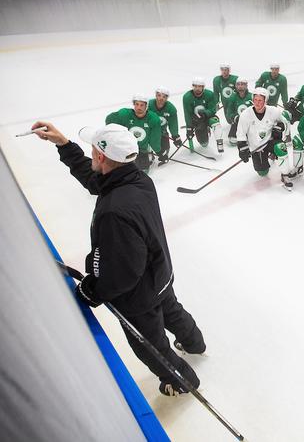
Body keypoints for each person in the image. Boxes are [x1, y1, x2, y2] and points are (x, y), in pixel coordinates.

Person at [31, 121, 205, 397]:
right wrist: (63, 144)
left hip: (138, 297)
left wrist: (92, 291)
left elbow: (122, 274)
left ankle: (182, 381)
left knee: (152, 347)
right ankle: (195, 343)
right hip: (160, 274)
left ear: (101, 156)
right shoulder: (137, 179)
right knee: (173, 312)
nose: (91, 157)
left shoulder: (114, 211)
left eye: (92, 152)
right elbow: (94, 180)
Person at [235, 87, 294, 189]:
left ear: (265, 101)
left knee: (281, 147)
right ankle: (269, 157)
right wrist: (242, 149)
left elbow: (285, 121)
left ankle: (285, 175)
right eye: (255, 100)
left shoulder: (273, 111)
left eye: (260, 100)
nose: (257, 103)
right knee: (262, 172)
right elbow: (240, 134)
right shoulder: (245, 115)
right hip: (256, 147)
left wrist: (281, 127)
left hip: (270, 142)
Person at [105, 94, 162, 173]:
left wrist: (158, 151)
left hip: (142, 149)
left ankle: (149, 154)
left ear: (146, 106)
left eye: (142, 105)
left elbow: (154, 138)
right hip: (128, 148)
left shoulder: (153, 119)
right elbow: (109, 119)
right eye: (137, 104)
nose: (139, 107)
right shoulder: (125, 114)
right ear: (134, 105)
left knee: (143, 172)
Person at [182, 76, 222, 151]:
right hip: (197, 121)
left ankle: (219, 142)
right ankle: (205, 131)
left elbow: (213, 110)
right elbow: (187, 114)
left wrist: (205, 114)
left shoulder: (209, 94)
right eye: (195, 86)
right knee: (204, 144)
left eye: (199, 86)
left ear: (203, 87)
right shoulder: (187, 97)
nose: (197, 88)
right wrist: (189, 128)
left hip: (208, 117)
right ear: (193, 86)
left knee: (215, 122)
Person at [148, 87, 180, 164]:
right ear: (156, 96)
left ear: (167, 98)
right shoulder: (148, 105)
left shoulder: (171, 108)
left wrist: (175, 136)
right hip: (149, 132)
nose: (161, 98)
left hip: (162, 132)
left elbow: (173, 123)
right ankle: (149, 154)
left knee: (164, 152)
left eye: (164, 96)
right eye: (159, 95)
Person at [225, 77, 253, 147]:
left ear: (246, 85)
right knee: (233, 140)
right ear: (236, 86)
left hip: (251, 122)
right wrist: (234, 117)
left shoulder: (252, 96)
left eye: (242, 84)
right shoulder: (232, 97)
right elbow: (229, 112)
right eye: (238, 84)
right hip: (237, 121)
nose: (240, 86)